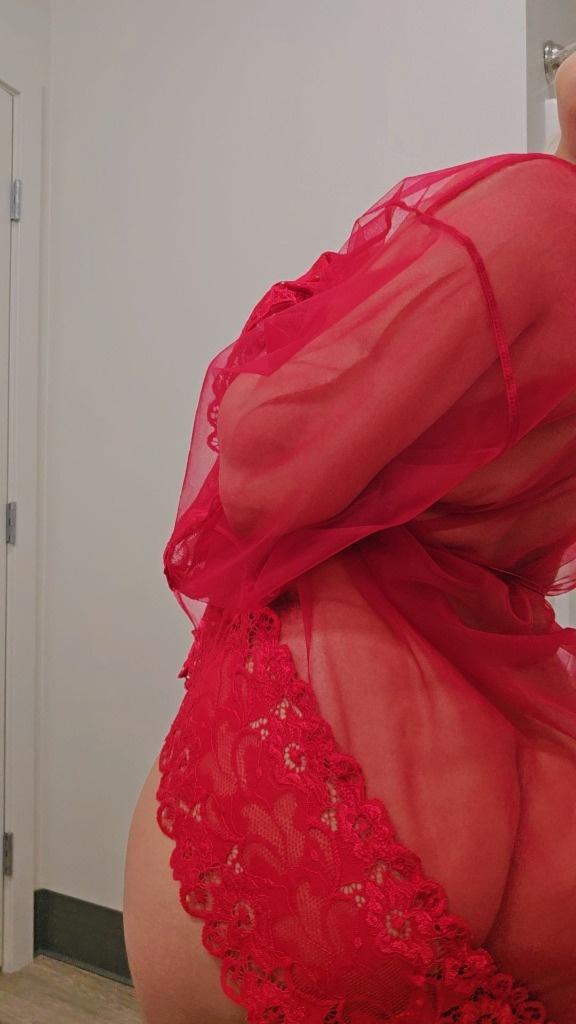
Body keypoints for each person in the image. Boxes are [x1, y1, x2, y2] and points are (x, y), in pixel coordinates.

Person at [122, 55, 576, 1024]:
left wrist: (290, 320)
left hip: (347, 730)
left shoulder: (538, 208)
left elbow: (263, 469)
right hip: (526, 746)